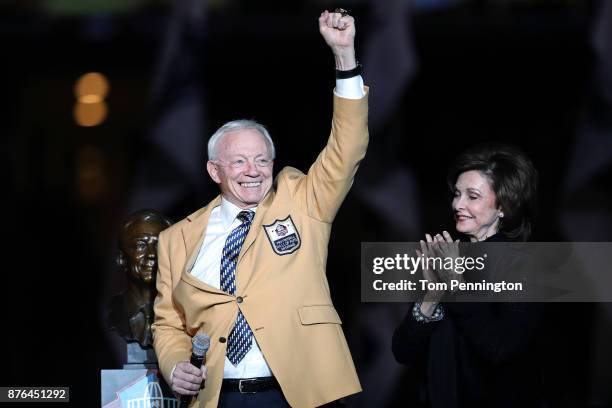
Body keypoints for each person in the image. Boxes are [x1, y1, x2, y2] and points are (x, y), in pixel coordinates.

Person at [152, 9, 367, 408]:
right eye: (239, 162)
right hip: (219, 397)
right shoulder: (174, 239)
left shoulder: (303, 200)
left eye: (262, 160)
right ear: (214, 170)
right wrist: (175, 362)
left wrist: (344, 58)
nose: (253, 171)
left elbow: (347, 147)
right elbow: (168, 324)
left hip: (300, 394)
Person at [392, 143, 545, 407]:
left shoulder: (524, 267)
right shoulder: (447, 256)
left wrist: (456, 285)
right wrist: (430, 298)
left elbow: (498, 348)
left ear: (503, 207)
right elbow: (403, 352)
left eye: (472, 196)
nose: (457, 204)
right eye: (456, 194)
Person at [108, 209, 173, 349]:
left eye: (158, 245)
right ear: (121, 259)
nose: (151, 254)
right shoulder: (109, 313)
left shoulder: (185, 313)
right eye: (141, 245)